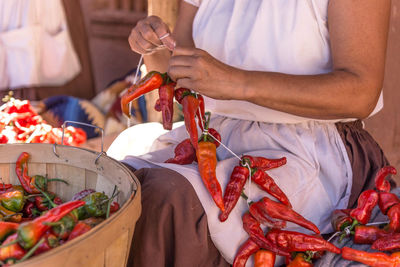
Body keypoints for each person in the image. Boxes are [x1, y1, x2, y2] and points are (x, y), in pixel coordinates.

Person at [107, 0, 392, 266]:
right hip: (216, 139)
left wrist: (237, 82)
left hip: (309, 148)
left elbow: (361, 92)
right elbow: (176, 64)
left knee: (166, 200)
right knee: (117, 186)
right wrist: (153, 46)